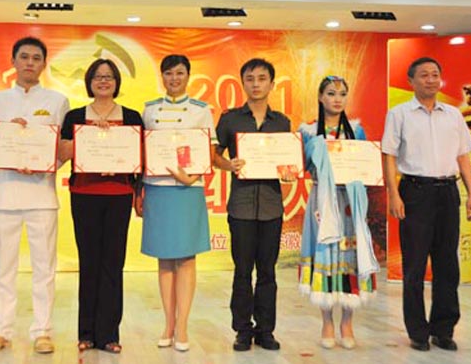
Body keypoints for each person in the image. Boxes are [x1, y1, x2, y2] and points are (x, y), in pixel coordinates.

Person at [0, 37, 69, 355]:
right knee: (4, 267)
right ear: (13, 61)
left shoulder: (57, 101)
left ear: (44, 64)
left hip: (42, 194)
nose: (30, 62)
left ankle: (42, 331)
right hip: (5, 193)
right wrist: (7, 137)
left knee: (44, 268)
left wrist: (44, 163)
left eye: (36, 58)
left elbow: (63, 146)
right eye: (24, 57)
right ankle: (1, 330)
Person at [381, 57, 471, 352]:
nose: (431, 80)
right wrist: (393, 194)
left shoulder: (454, 115)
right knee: (414, 265)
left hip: (448, 192)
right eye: (424, 75)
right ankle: (418, 332)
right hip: (415, 192)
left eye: (435, 74)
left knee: (448, 265)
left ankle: (443, 329)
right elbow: (389, 155)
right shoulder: (399, 114)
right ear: (411, 81)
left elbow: (463, 156)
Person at [59, 58, 144, 354]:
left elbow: (140, 156)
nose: (103, 81)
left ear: (117, 82)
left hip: (119, 194)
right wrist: (91, 136)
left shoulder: (132, 117)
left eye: (109, 77)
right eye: (98, 76)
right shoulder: (75, 116)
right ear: (89, 82)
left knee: (113, 263)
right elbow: (62, 152)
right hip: (84, 194)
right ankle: (86, 333)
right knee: (89, 262)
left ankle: (109, 334)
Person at [213, 58, 292, 352]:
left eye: (261, 78)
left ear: (272, 84)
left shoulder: (282, 122)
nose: (256, 84)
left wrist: (289, 171)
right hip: (242, 206)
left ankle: (266, 330)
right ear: (242, 83)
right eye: (250, 79)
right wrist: (228, 165)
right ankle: (242, 330)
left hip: (272, 206)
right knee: (243, 270)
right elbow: (213, 154)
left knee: (268, 271)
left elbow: (288, 161)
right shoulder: (230, 119)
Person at [139, 54, 216, 352]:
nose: (174, 78)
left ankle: (182, 325)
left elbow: (208, 152)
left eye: (180, 73)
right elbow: (142, 151)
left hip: (188, 190)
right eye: (169, 73)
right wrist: (138, 191)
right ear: (162, 77)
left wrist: (190, 177)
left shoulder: (201, 110)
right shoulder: (149, 109)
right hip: (157, 188)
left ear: (188, 76)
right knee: (164, 258)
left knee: (186, 259)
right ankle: (168, 324)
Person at [298, 76, 378, 350]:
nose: (337, 99)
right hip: (322, 201)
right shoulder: (308, 131)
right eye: (331, 93)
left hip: (349, 203)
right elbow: (300, 165)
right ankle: (327, 322)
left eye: (342, 94)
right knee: (325, 253)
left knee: (350, 258)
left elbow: (366, 164)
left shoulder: (356, 129)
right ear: (321, 97)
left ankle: (347, 321)